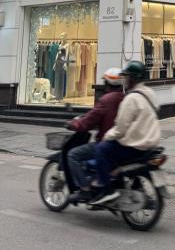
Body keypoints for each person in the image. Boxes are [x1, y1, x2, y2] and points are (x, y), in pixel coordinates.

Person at [90, 60, 161, 206]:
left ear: (133, 78)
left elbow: (120, 128)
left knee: (101, 150)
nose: (126, 80)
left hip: (135, 146)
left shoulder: (131, 98)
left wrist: (107, 136)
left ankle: (107, 190)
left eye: (127, 77)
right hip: (151, 143)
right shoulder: (150, 94)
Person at [65, 68, 124, 203]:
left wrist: (74, 124)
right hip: (122, 142)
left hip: (105, 142)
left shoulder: (106, 99)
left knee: (73, 155)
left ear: (107, 83)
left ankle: (85, 190)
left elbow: (90, 119)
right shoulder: (124, 97)